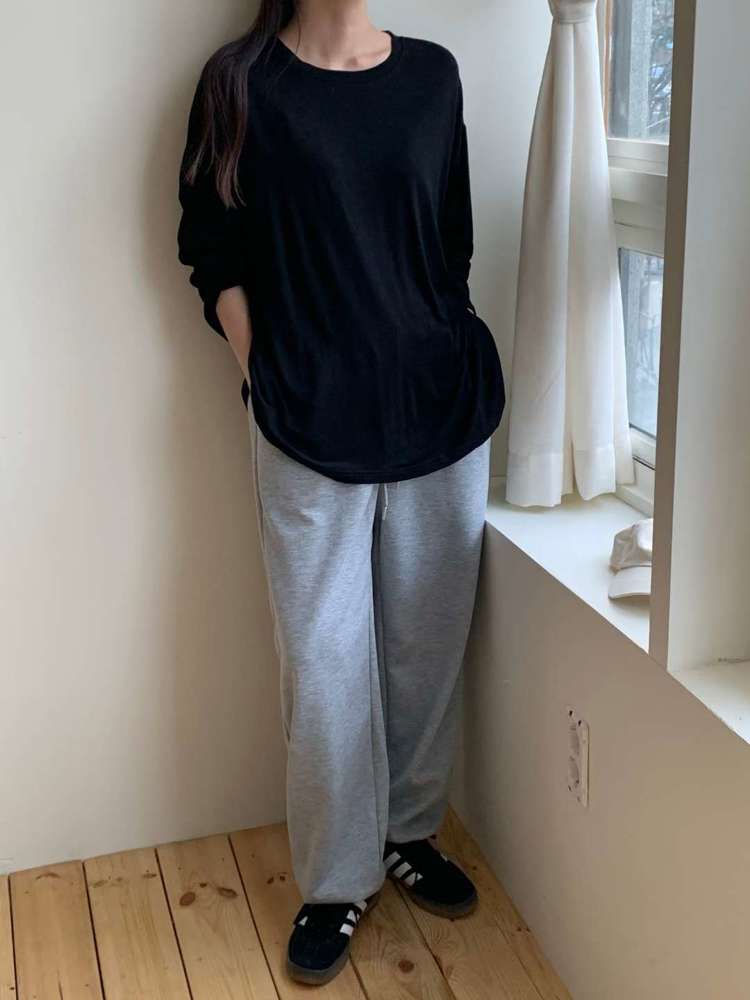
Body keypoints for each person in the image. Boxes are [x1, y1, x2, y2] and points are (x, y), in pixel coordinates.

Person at [177, 0, 505, 985]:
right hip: (306, 420)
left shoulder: (433, 75)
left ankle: (409, 831)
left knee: (424, 645)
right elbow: (211, 251)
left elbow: (452, 242)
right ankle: (336, 880)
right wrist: (264, 373)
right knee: (323, 662)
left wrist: (442, 338)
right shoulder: (239, 84)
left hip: (439, 406)